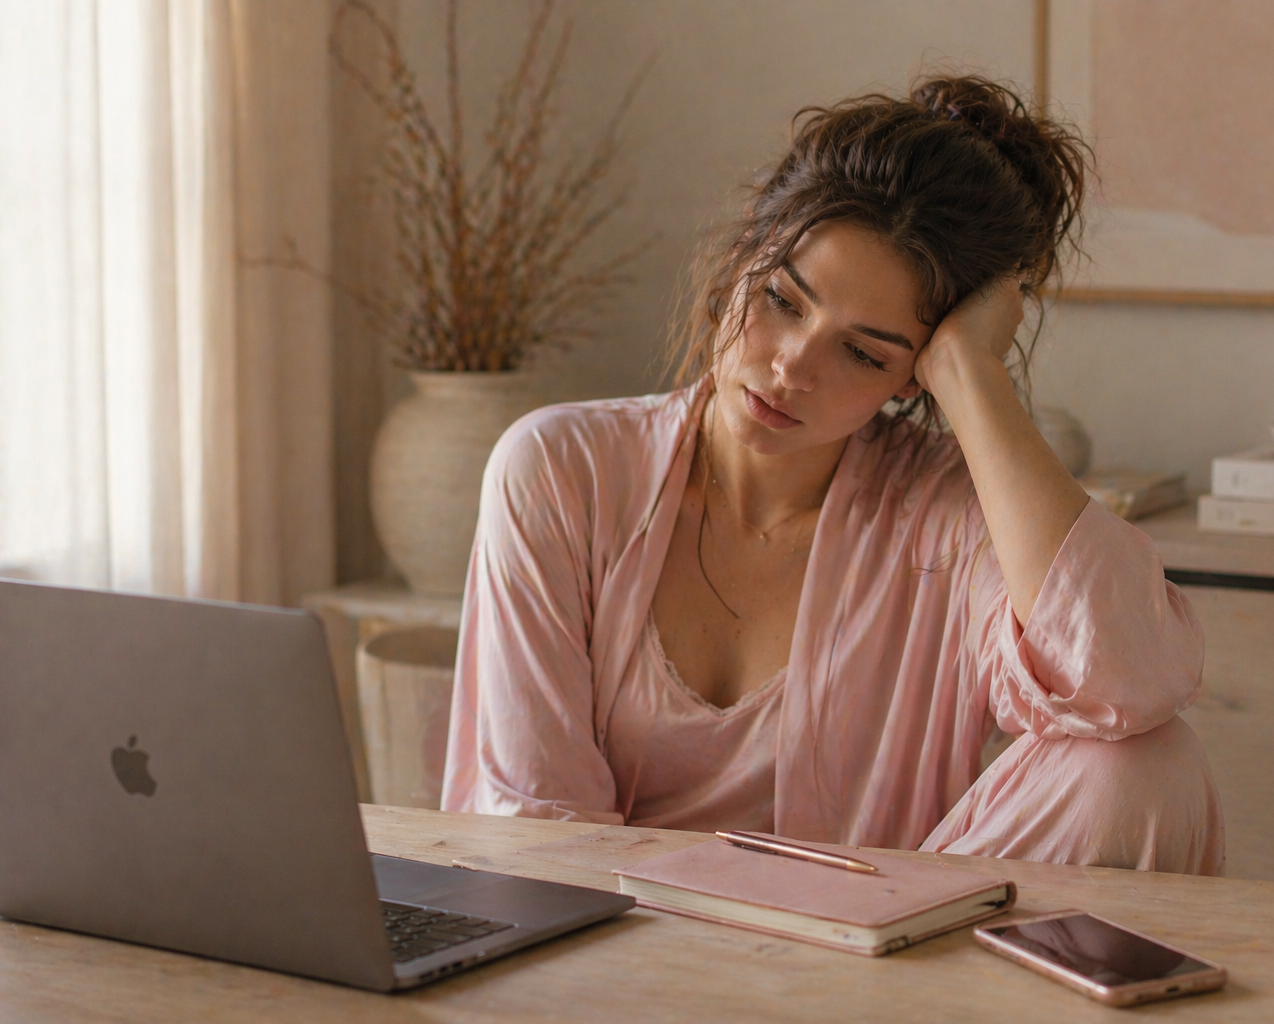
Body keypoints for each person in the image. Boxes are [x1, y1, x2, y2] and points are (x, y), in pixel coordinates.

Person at [441, 75, 1224, 874]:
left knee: (1145, 769)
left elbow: (1128, 680)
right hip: (623, 964)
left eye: (862, 352)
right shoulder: (561, 469)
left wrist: (974, 374)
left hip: (866, 963)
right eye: (784, 299)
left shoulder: (947, 512)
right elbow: (538, 827)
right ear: (745, 250)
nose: (790, 365)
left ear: (913, 375)